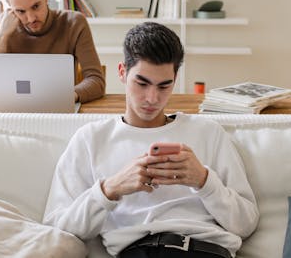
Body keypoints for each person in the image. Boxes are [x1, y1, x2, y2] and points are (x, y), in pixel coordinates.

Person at [43, 22, 259, 258]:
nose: (152, 98)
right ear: (122, 73)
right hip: (139, 251)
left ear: (175, 78)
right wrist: (110, 189)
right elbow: (58, 228)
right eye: (142, 83)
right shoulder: (91, 139)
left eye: (164, 86)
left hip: (207, 250)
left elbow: (245, 225)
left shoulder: (208, 132)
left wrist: (204, 181)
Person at [0, 0, 105, 103]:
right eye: (20, 11)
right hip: (14, 108)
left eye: (36, 6)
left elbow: (96, 81)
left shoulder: (74, 23)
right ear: (10, 8)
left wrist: (68, 96)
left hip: (59, 107)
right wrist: (2, 37)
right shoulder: (1, 29)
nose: (31, 18)